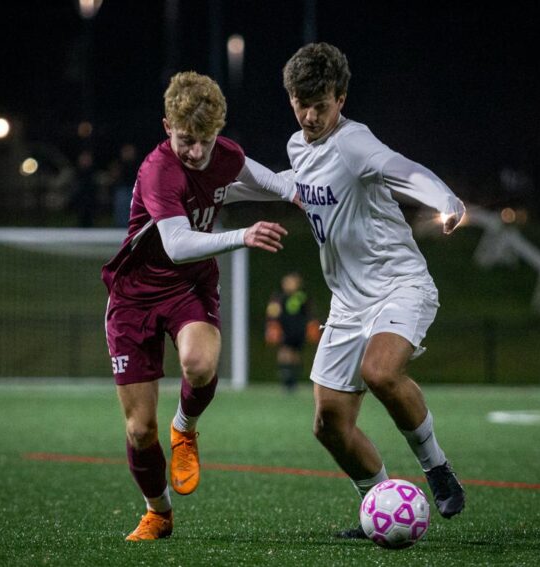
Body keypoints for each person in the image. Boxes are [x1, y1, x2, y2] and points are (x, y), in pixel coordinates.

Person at [281, 43, 467, 538]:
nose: (310, 114)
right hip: (348, 302)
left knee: (380, 371)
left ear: (341, 99)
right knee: (328, 425)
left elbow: (399, 168)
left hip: (400, 283)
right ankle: (378, 507)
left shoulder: (354, 141)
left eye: (321, 104)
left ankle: (437, 468)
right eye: (301, 102)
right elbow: (288, 182)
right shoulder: (298, 148)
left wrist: (443, 197)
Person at [102, 71, 297, 542]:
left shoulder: (226, 155)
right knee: (138, 428)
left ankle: (185, 428)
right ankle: (158, 512)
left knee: (199, 364)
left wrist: (319, 192)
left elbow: (277, 184)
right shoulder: (158, 170)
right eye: (186, 139)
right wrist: (242, 235)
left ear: (218, 132)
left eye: (205, 141)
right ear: (167, 125)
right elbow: (175, 243)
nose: (195, 151)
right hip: (133, 297)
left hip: (189, 287)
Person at [265, 271, 320, 391]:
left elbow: (309, 313)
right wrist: (272, 324)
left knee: (295, 354)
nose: (288, 284)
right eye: (286, 282)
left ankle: (293, 380)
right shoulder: (279, 297)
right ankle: (286, 380)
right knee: (284, 352)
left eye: (291, 282)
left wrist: (311, 325)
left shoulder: (301, 297)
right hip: (284, 330)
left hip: (298, 330)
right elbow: (272, 312)